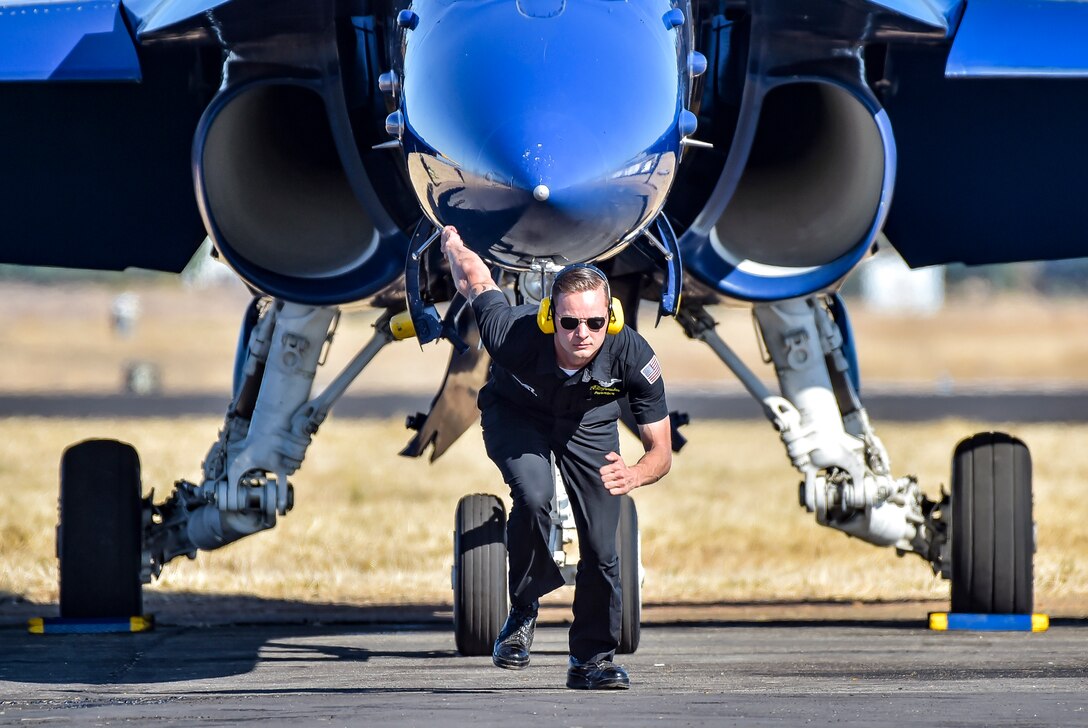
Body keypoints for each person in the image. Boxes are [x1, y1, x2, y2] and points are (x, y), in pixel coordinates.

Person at [441, 225, 672, 690]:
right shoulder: (513, 334)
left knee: (605, 551)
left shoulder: (632, 355)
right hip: (517, 415)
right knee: (533, 495)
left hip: (589, 423)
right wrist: (453, 245)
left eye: (594, 322)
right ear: (550, 319)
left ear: (611, 316)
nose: (582, 334)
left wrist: (634, 473)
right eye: (569, 323)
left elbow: (661, 450)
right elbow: (477, 281)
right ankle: (523, 610)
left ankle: (590, 662)